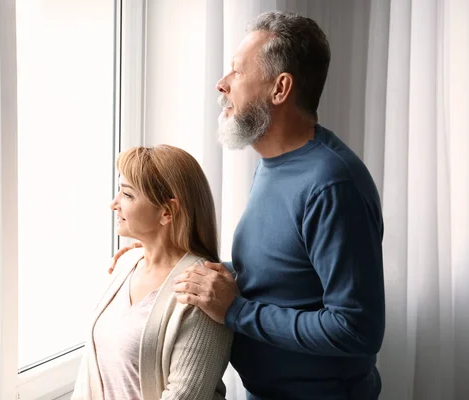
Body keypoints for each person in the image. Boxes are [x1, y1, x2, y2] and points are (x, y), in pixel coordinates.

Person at [112, 11, 385, 400]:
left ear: (280, 88)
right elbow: (272, 276)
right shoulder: (272, 166)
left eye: (237, 73)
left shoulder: (331, 185)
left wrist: (236, 312)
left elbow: (356, 329)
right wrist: (167, 255)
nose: (221, 84)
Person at [72, 145, 233, 400]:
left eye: (127, 195)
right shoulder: (126, 264)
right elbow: (91, 376)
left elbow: (184, 396)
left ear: (166, 212)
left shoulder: (202, 291)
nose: (114, 204)